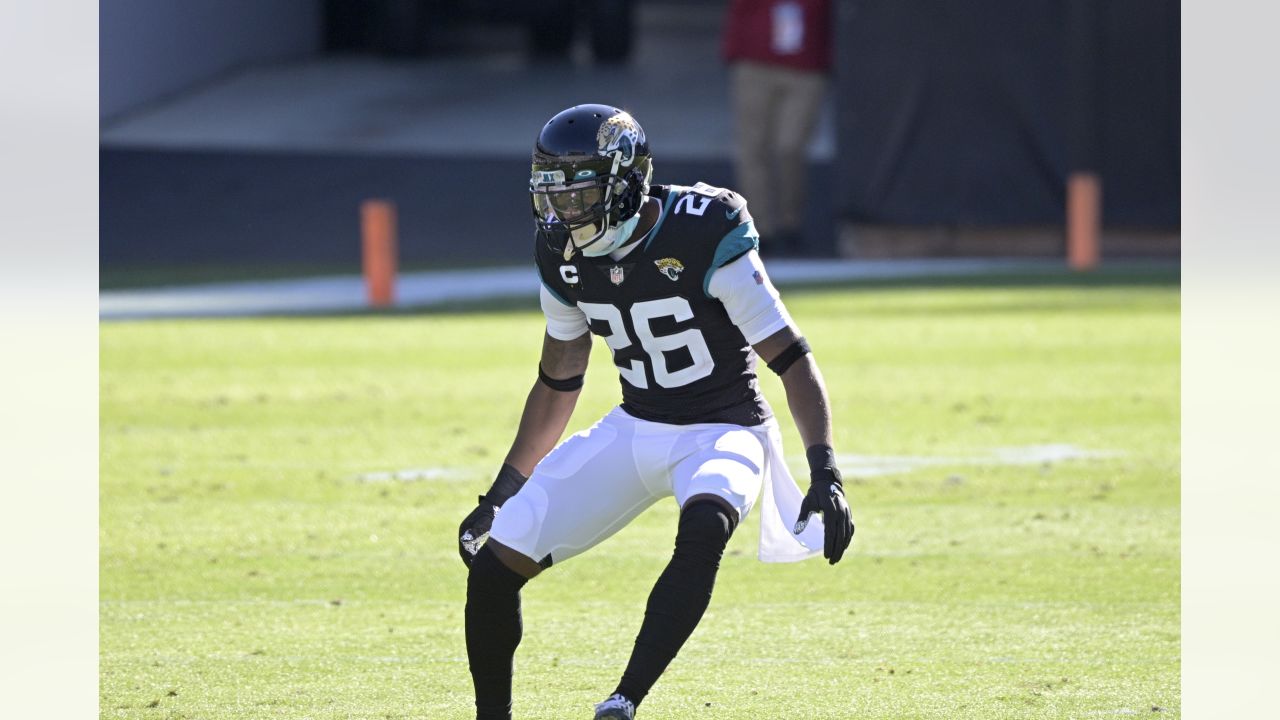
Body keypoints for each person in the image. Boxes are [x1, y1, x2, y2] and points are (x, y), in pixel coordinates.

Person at [457, 104, 854, 720]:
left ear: (624, 182)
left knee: (703, 529)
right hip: (636, 425)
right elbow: (559, 377)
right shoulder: (559, 250)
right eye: (554, 196)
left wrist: (824, 469)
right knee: (492, 568)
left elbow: (790, 357)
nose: (565, 212)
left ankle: (623, 700)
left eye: (581, 194)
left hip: (725, 428)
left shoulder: (703, 227)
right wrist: (501, 492)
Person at [722, 0, 834, 257]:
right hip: (755, 64)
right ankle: (759, 225)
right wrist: (733, 51)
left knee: (790, 146)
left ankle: (790, 221)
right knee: (752, 147)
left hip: (806, 68)